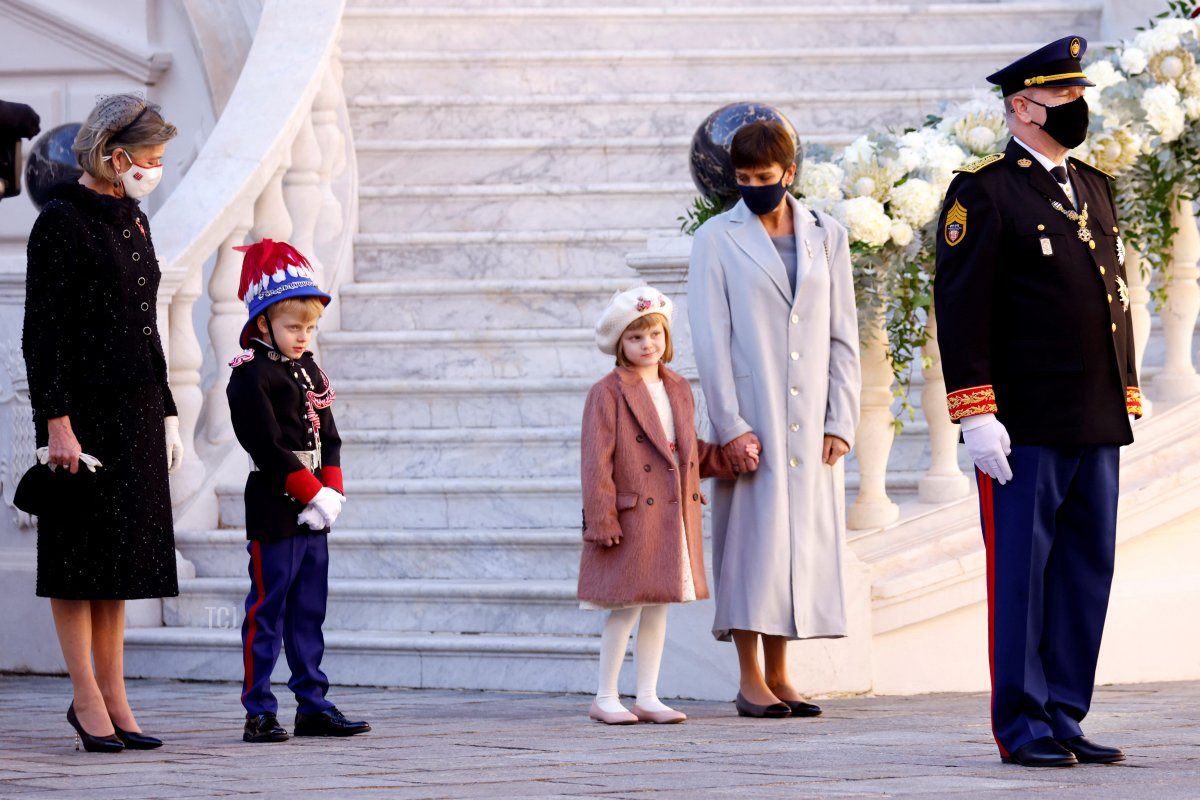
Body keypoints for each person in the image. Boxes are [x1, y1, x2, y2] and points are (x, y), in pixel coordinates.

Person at [933, 36, 1139, 768]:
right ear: (1021, 107)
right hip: (1023, 425)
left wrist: (1125, 388)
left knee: (1086, 572)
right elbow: (961, 309)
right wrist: (975, 412)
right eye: (1063, 101)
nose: (1077, 110)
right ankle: (1021, 724)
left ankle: (1064, 712)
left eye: (1079, 99)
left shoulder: (1092, 185)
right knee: (1023, 576)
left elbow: (1112, 299)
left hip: (1094, 416)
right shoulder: (984, 192)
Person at [22, 93, 181, 752]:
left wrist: (167, 411)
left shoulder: (131, 215)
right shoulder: (61, 220)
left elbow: (147, 320)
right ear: (115, 157)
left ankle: (117, 697)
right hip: (83, 412)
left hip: (137, 407)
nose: (155, 168)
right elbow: (42, 333)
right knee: (78, 558)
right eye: (149, 158)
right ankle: (86, 697)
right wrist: (55, 422)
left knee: (120, 562)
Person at [687, 120, 861, 719]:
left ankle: (784, 673)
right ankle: (748, 679)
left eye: (763, 178)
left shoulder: (827, 236)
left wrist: (841, 417)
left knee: (794, 546)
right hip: (752, 416)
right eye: (742, 179)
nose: (752, 188)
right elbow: (710, 339)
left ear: (789, 174)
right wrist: (730, 425)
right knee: (751, 546)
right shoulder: (716, 239)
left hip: (810, 416)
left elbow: (843, 333)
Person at [226, 238, 370, 743]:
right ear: (263, 323)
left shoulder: (309, 368)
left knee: (310, 609)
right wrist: (311, 493)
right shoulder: (249, 378)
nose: (302, 336)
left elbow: (328, 436)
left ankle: (312, 703)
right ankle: (259, 709)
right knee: (268, 608)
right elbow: (265, 447)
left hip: (315, 508)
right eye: (293, 327)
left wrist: (332, 496)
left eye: (309, 328)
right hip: (274, 502)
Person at [578, 286, 742, 725]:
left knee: (658, 606)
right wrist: (601, 518)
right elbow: (596, 463)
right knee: (625, 605)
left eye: (654, 335)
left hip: (671, 513)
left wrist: (730, 459)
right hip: (632, 517)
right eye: (635, 338)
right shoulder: (607, 392)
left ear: (666, 338)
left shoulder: (677, 386)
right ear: (619, 345)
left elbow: (685, 450)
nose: (647, 344)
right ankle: (605, 695)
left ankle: (648, 694)